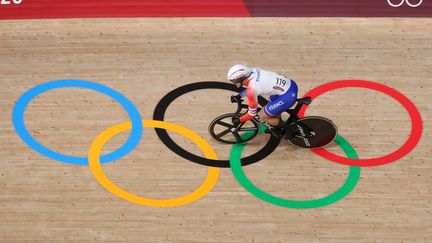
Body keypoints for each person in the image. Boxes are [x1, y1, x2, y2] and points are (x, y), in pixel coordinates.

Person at [227, 64, 298, 136]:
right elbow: (251, 87)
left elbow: (252, 113)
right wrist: (239, 96)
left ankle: (289, 129)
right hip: (289, 86)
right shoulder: (254, 71)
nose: (236, 84)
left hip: (287, 96)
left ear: (242, 78)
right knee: (271, 107)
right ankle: (277, 126)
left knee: (263, 115)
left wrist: (240, 120)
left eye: (236, 81)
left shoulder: (253, 89)